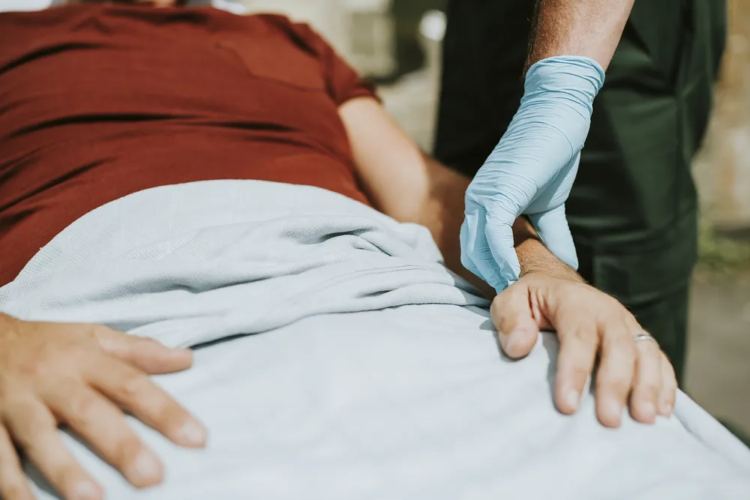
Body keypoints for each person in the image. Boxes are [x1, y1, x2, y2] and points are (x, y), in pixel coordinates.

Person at [0, 2, 680, 499]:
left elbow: (422, 194)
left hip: (373, 281)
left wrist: (538, 266)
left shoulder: (286, 38)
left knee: (641, 447)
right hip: (103, 311)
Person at [436, 0, 727, 382]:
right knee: (466, 224)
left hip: (607, 27)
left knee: (613, 279)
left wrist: (564, 84)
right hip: (482, 21)